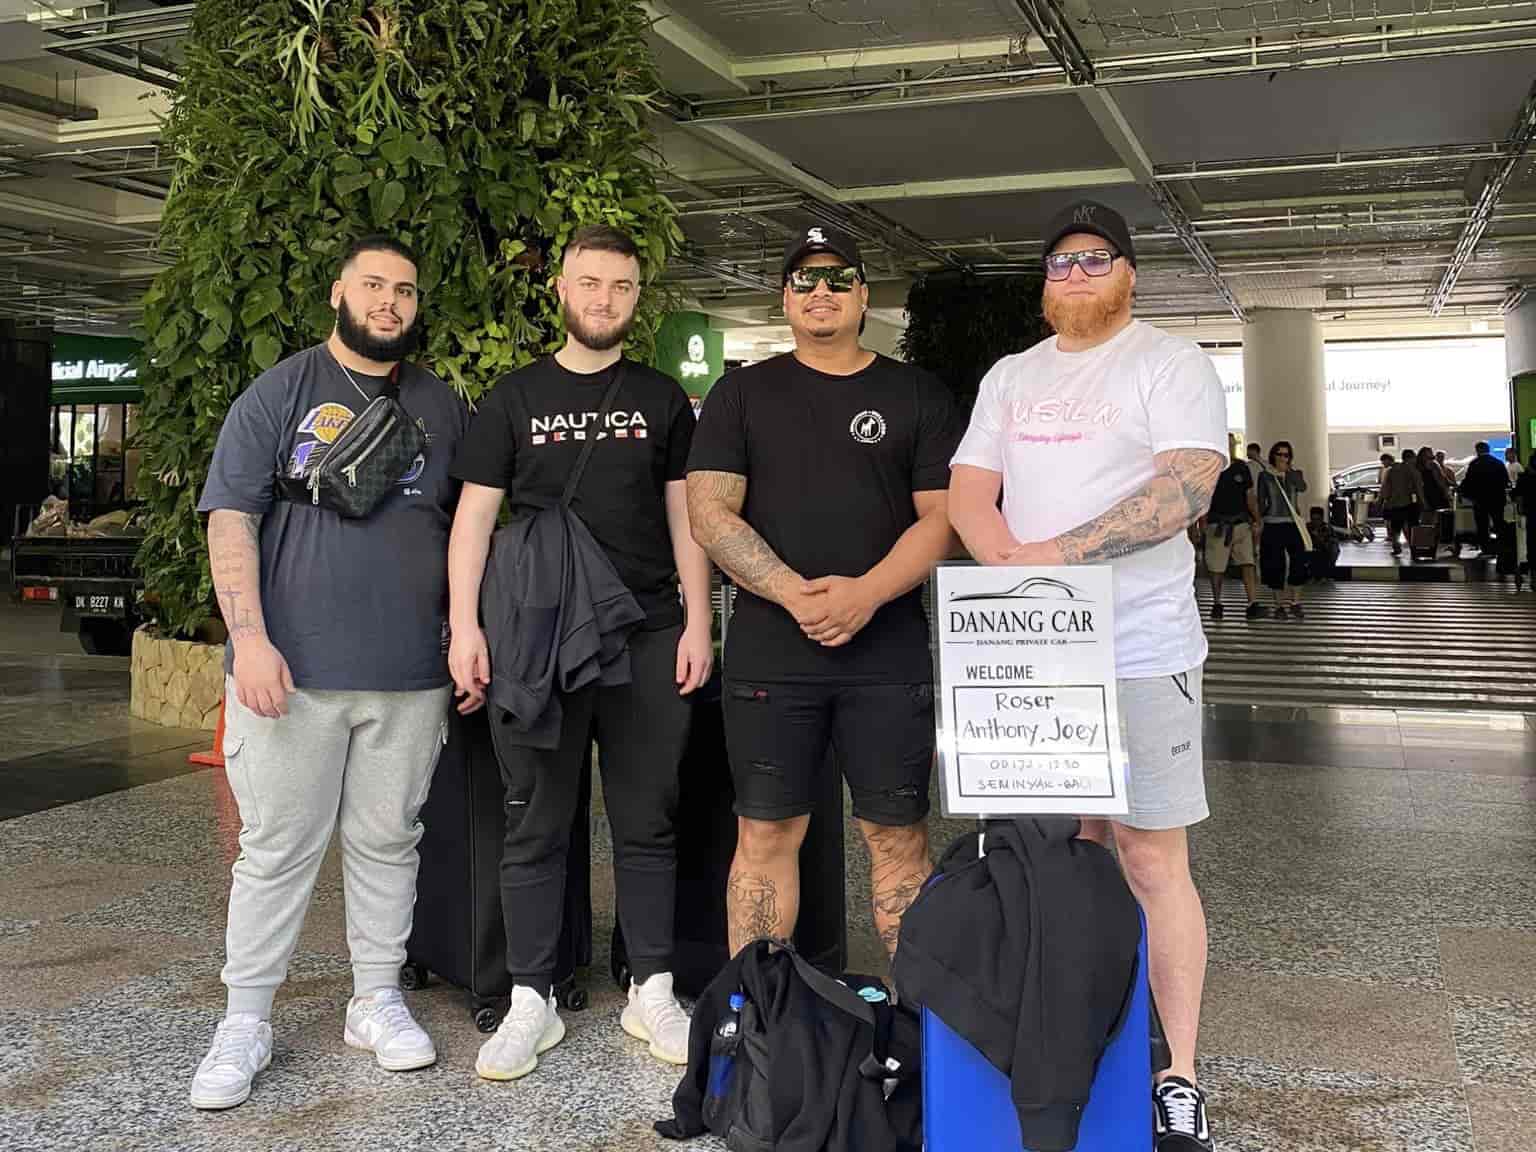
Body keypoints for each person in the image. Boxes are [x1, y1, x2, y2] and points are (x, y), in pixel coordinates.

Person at [947, 200, 1226, 1152]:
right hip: (1036, 655)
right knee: (1054, 856)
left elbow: (1187, 484)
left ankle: (1178, 1070)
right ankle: (1066, 1039)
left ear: (1130, 273)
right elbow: (968, 490)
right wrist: (1013, 571)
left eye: (1094, 260)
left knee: (1151, 858)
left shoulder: (1170, 362)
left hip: (1143, 648)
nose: (1073, 275)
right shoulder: (1010, 375)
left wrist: (1056, 555)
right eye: (1059, 263)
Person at [189, 236, 467, 1110]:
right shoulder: (280, 392)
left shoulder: (442, 405)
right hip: (292, 671)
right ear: (339, 295)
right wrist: (252, 639)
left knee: (390, 839)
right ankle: (246, 1020)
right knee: (276, 850)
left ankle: (376, 999)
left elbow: (470, 529)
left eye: (405, 290)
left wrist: (465, 633)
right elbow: (230, 518)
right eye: (374, 285)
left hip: (410, 673)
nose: (390, 302)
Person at [446, 224, 712, 1080]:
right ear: (562, 290)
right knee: (534, 823)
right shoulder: (510, 398)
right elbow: (474, 524)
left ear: (639, 295)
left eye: (622, 286)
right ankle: (532, 998)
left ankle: (652, 987)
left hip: (646, 633)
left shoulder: (663, 398)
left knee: (649, 822)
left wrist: (700, 621)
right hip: (536, 641)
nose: (604, 300)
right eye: (590, 283)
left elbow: (686, 518)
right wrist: (466, 627)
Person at [686, 225, 959, 964]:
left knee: (898, 836)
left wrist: (866, 595)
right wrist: (791, 594)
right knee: (766, 833)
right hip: (773, 654)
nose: (821, 292)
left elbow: (943, 520)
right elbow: (709, 513)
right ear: (784, 298)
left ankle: (920, 1020)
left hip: (888, 654)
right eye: (805, 280)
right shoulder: (742, 393)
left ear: (864, 296)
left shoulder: (916, 394)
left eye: (839, 278)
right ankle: (759, 1015)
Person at [1202, 435, 1265, 620]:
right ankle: (1217, 602)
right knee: (1216, 567)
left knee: (1248, 563)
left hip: (1241, 524)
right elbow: (1203, 497)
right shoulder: (1208, 467)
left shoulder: (1241, 467)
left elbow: (1249, 496)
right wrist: (1202, 523)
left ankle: (1252, 603)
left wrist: (1257, 519)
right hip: (1218, 525)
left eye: (1230, 443)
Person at [1257, 440, 1309, 618]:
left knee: (1299, 562)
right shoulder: (1265, 476)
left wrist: (1289, 472)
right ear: (1273, 455)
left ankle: (1296, 602)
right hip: (1272, 524)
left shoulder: (1295, 474)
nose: (1282, 458)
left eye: (1286, 455)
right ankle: (1279, 605)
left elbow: (1302, 487)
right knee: (1274, 565)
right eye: (1279, 454)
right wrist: (1258, 521)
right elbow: (1261, 500)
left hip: (1292, 524)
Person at [1461, 440, 1511, 555]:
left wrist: (1466, 494)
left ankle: (1486, 548)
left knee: (1482, 525)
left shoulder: (1474, 464)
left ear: (1477, 450)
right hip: (1497, 499)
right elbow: (1506, 481)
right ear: (1488, 450)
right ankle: (1502, 546)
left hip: (1480, 500)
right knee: (1498, 522)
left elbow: (1468, 482)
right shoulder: (1498, 463)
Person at [1380, 448, 1425, 557]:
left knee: (1396, 526)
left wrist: (1385, 500)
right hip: (1408, 502)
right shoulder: (1412, 470)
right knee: (1411, 526)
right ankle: (1413, 548)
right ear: (1411, 458)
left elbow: (1386, 488)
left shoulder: (1392, 470)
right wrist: (1422, 501)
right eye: (1414, 457)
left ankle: (1396, 545)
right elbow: (1418, 487)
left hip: (1394, 503)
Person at [1516, 453, 1536, 589]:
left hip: (1532, 514)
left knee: (1533, 543)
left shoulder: (1524, 477)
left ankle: (1534, 576)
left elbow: (1517, 494)